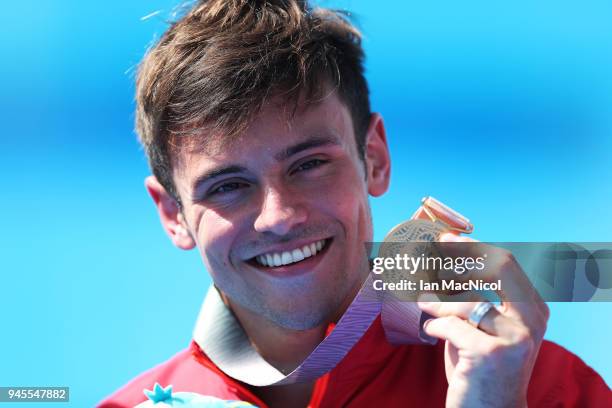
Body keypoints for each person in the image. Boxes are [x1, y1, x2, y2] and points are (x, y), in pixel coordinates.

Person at [99, 1, 611, 406]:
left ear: (375, 157)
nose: (279, 217)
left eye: (308, 165)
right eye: (227, 186)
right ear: (172, 214)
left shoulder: (544, 391)